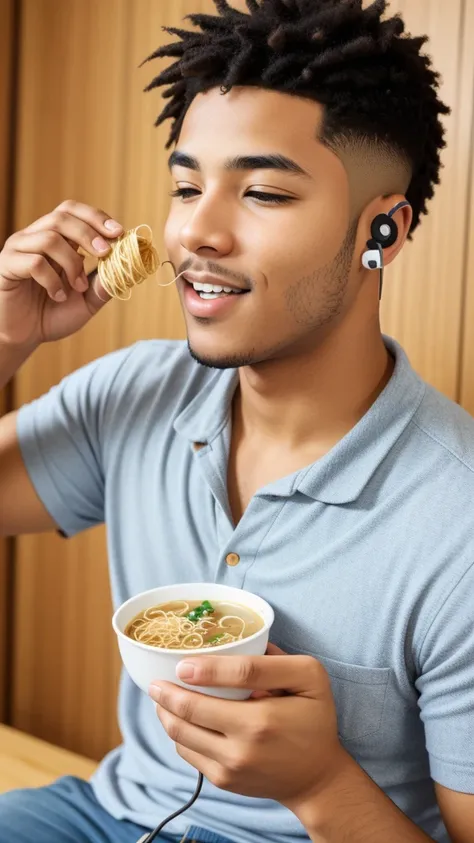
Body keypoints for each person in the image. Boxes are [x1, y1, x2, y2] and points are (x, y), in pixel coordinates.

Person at [0, 0, 472, 841]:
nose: (195, 232)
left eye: (260, 191)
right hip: (107, 815)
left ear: (385, 229)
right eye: (185, 186)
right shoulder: (136, 390)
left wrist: (322, 783)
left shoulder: (459, 518)